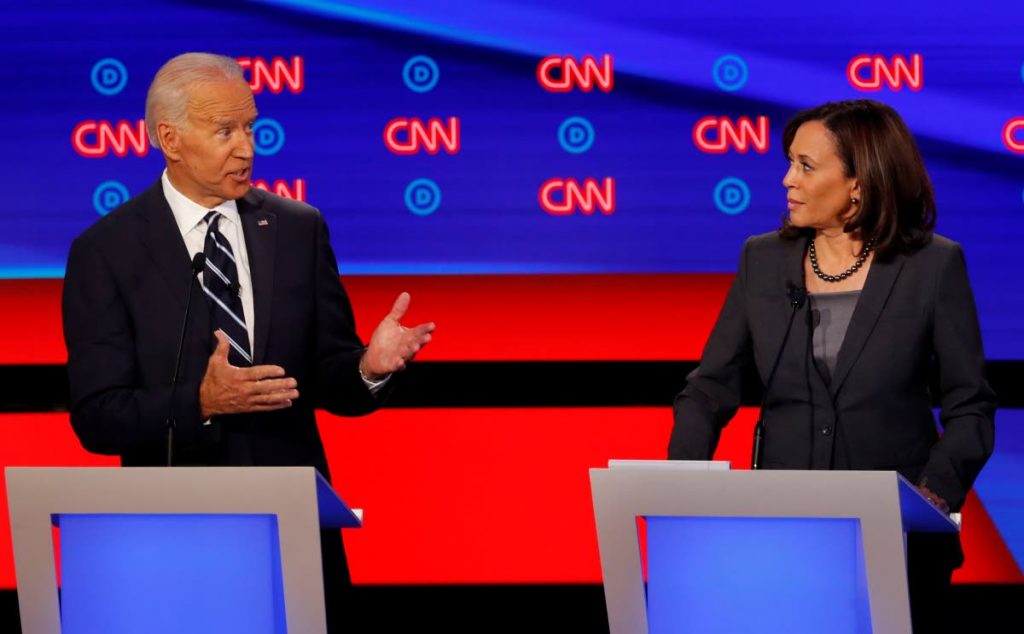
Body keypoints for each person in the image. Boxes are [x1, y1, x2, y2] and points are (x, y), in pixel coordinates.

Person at [61, 52, 434, 630]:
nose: (247, 147)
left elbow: (330, 378)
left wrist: (369, 366)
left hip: (293, 532)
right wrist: (202, 402)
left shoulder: (298, 227)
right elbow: (97, 416)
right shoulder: (106, 252)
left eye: (251, 127)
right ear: (171, 139)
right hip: (173, 536)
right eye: (225, 131)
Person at [667, 99, 995, 632]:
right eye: (789, 162)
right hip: (783, 540)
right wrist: (681, 485)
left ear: (859, 184)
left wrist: (929, 496)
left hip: (897, 543)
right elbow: (709, 389)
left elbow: (971, 407)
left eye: (805, 166)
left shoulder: (932, 266)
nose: (786, 180)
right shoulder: (762, 259)